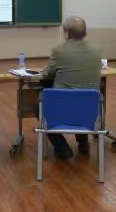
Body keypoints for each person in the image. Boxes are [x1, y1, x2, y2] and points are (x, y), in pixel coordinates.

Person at [41, 16, 102, 158]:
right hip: (89, 113)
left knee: (39, 108)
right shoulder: (96, 51)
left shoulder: (59, 51)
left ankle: (62, 147)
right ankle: (83, 142)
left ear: (67, 32)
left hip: (62, 111)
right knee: (81, 98)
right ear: (85, 32)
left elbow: (46, 75)